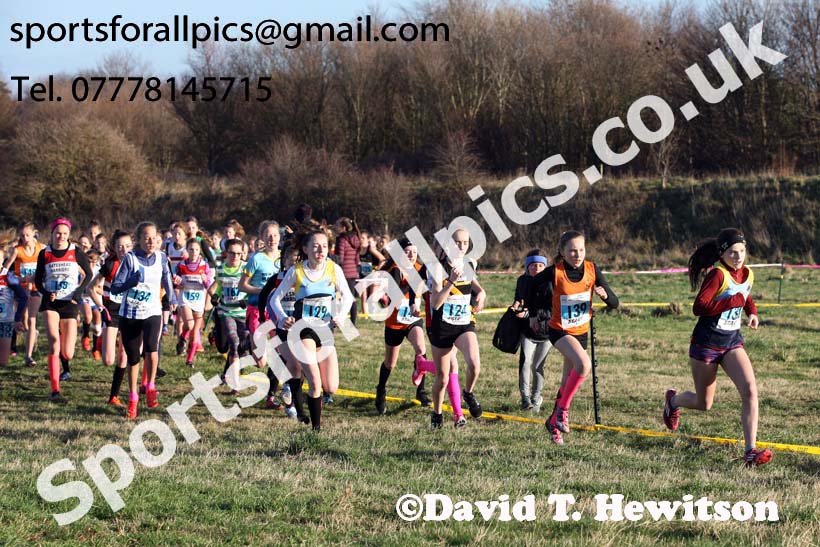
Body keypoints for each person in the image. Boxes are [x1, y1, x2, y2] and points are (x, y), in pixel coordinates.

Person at [663, 228, 772, 467]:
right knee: (704, 404)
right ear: (722, 254)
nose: (738, 257)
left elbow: (745, 295)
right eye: (733, 252)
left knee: (751, 391)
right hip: (706, 344)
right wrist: (730, 302)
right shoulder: (717, 275)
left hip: (732, 342)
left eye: (742, 251)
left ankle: (750, 451)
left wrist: (751, 312)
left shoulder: (747, 273)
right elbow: (699, 307)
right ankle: (673, 401)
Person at [527, 230, 619, 444]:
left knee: (567, 382)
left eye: (581, 250)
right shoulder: (555, 271)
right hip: (559, 330)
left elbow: (615, 302)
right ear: (563, 252)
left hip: (581, 332)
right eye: (572, 251)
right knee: (584, 366)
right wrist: (532, 313)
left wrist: (606, 297)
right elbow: (530, 286)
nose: (577, 255)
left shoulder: (592, 269)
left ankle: (553, 423)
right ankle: (562, 411)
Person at [269, 228, 354, 431]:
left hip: (325, 333)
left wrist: (340, 316)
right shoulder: (296, 271)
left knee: (330, 386)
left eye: (324, 246)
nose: (320, 250)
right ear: (306, 249)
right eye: (315, 246)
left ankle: (296, 387)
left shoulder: (334, 269)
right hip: (302, 331)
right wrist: (282, 319)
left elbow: (349, 297)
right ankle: (315, 430)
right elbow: (274, 299)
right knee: (315, 382)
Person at [110, 221, 176, 419]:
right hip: (130, 314)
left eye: (153, 237)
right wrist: (131, 281)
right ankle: (132, 398)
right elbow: (115, 287)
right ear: (138, 239)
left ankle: (151, 386)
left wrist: (171, 299)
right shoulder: (130, 259)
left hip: (153, 311)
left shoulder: (162, 258)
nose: (150, 241)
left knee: (152, 349)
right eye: (146, 237)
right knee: (133, 359)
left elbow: (167, 279)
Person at [426, 229, 486, 428]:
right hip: (442, 326)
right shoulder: (436, 268)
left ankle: (468, 393)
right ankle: (437, 413)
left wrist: (481, 293)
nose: (461, 246)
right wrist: (451, 280)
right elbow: (435, 303)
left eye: (465, 242)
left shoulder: (470, 263)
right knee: (442, 378)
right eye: (457, 242)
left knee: (474, 364)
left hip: (464, 323)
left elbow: (473, 283)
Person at [34, 218, 93, 402]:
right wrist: (46, 291)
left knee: (67, 353)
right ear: (51, 234)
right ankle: (55, 391)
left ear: (69, 235)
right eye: (58, 233)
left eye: (65, 234)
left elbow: (89, 274)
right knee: (53, 342)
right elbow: (38, 280)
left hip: (70, 303)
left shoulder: (76, 252)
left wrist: (77, 294)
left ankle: (64, 357)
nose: (61, 236)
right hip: (51, 303)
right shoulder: (45, 253)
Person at [374, 237, 432, 414]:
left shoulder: (419, 269)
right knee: (390, 363)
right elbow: (397, 296)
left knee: (421, 349)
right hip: (395, 323)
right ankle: (381, 390)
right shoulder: (394, 270)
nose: (412, 255)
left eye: (414, 252)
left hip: (413, 320)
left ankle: (420, 391)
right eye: (407, 252)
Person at [88, 230, 132, 407]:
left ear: (132, 246)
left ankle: (114, 396)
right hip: (111, 312)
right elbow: (92, 287)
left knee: (123, 356)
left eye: (127, 246)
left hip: (129, 312)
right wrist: (101, 307)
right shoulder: (110, 264)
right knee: (108, 360)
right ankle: (101, 342)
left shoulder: (137, 263)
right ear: (114, 247)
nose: (123, 249)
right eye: (120, 246)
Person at [511, 250, 553, 411]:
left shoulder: (550, 283)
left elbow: (553, 310)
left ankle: (536, 397)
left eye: (541, 265)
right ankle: (525, 399)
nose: (537, 268)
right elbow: (518, 297)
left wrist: (531, 314)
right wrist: (515, 307)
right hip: (527, 331)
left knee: (537, 366)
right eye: (533, 265)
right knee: (525, 363)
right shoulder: (522, 280)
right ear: (527, 267)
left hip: (547, 333)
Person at [209, 238, 249, 396]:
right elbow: (218, 287)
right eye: (232, 253)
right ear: (226, 253)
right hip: (226, 312)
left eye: (239, 253)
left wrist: (248, 299)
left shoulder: (246, 269)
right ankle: (235, 385)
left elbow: (252, 287)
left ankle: (233, 371)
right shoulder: (220, 269)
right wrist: (215, 296)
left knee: (244, 347)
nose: (236, 256)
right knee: (234, 343)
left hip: (243, 313)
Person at [6, 222, 44, 367]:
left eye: (27, 235)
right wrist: (22, 279)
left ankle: (28, 356)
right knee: (22, 320)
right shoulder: (17, 250)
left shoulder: (42, 248)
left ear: (34, 233)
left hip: (35, 289)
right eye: (22, 235)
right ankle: (32, 334)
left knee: (32, 319)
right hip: (19, 290)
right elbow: (7, 270)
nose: (25, 238)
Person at [174, 238, 213, 368]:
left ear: (199, 251)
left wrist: (205, 280)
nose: (194, 252)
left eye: (196, 249)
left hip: (198, 300)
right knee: (190, 325)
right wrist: (177, 281)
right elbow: (175, 282)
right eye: (191, 249)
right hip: (185, 299)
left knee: (195, 332)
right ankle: (183, 338)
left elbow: (209, 285)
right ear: (187, 250)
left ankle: (189, 359)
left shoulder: (204, 265)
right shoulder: (182, 265)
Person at [0, 241, 28, 370]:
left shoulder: (8, 277)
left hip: (5, 321)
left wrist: (17, 318)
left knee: (3, 362)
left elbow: (23, 297)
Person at [334, 217, 361, 325]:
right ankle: (353, 321)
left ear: (343, 228)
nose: (335, 228)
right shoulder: (356, 238)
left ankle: (341, 320)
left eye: (337, 226)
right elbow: (357, 258)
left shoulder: (342, 239)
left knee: (343, 297)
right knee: (351, 297)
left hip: (344, 272)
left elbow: (339, 258)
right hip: (353, 272)